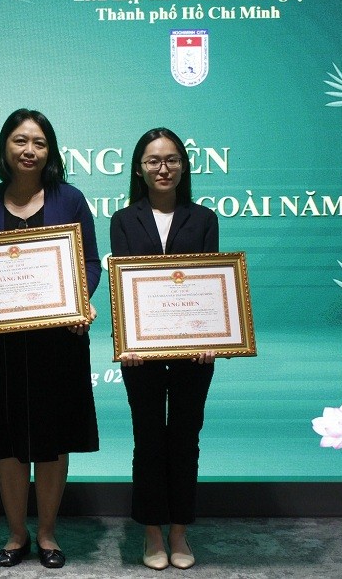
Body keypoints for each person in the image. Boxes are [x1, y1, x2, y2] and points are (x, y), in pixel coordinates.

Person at [0, 109, 100, 570]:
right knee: (7, 442)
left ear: (50, 151)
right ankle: (17, 534)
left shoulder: (70, 199)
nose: (29, 150)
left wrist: (80, 301)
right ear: (4, 148)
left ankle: (49, 534)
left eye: (38, 142)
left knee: (53, 441)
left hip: (58, 343)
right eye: (19, 140)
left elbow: (90, 262)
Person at [109, 127, 220, 571]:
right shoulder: (123, 219)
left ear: (184, 167)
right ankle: (152, 532)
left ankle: (180, 531)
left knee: (187, 438)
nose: (163, 168)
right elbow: (122, 287)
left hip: (195, 353)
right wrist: (127, 341)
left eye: (172, 159)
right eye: (153, 160)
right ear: (139, 168)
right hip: (142, 353)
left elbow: (212, 287)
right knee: (149, 438)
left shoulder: (205, 218)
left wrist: (213, 339)